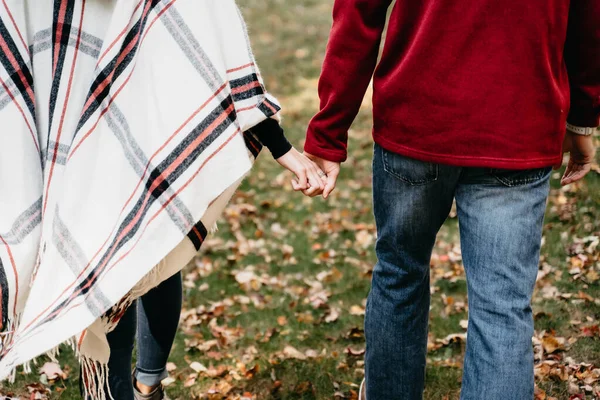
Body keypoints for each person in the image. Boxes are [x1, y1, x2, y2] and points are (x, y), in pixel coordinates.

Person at [304, 1, 599, 399]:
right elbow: (589, 18)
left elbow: (358, 12)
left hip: (420, 120)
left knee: (400, 276)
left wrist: (330, 128)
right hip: (517, 123)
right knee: (502, 303)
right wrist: (583, 115)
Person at [106, 120, 323, 400]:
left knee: (160, 250)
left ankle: (146, 386)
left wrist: (279, 145)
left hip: (157, 131)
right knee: (112, 264)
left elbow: (230, 79)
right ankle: (123, 390)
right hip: (95, 140)